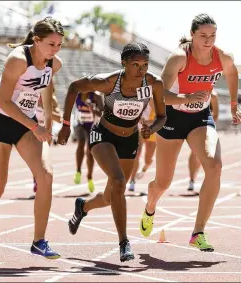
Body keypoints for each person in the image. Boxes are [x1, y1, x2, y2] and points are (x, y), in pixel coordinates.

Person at [140, 13, 241, 252]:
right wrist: (185, 97)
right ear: (192, 35)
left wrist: (234, 106)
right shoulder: (179, 58)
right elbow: (160, 95)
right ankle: (150, 206)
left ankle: (198, 232)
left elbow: (231, 73)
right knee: (163, 182)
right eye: (203, 36)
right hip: (173, 118)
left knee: (215, 166)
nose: (208, 41)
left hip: (200, 118)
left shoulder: (223, 56)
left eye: (212, 36)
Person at [57, 42, 167, 262]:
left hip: (130, 140)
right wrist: (66, 124)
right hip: (103, 136)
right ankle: (124, 242)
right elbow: (74, 87)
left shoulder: (153, 83)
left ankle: (83, 206)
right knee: (118, 183)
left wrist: (151, 129)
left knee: (111, 196)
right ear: (124, 63)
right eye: (135, 64)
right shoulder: (109, 82)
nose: (141, 70)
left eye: (145, 65)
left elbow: (162, 117)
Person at [0, 17, 65, 259]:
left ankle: (39, 241)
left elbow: (45, 88)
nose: (55, 51)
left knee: (45, 176)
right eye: (51, 45)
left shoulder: (53, 63)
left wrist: (46, 119)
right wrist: (36, 127)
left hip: (27, 127)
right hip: (1, 125)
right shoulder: (17, 61)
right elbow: (4, 101)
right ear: (36, 40)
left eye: (59, 45)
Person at [32, 84, 62, 193]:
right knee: (35, 158)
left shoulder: (52, 100)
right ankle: (36, 180)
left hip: (45, 133)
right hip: (33, 131)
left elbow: (59, 118)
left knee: (41, 158)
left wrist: (47, 111)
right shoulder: (33, 97)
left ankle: (38, 180)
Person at [187, 90, 219, 192]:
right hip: (189, 125)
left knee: (199, 154)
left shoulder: (213, 96)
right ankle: (192, 179)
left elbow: (216, 115)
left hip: (204, 126)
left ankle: (195, 179)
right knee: (194, 153)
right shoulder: (192, 92)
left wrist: (208, 127)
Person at [73, 91, 104, 193]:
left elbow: (102, 113)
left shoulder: (96, 96)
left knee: (90, 151)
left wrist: (93, 109)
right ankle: (78, 171)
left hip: (92, 125)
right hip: (80, 124)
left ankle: (90, 177)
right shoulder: (76, 94)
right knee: (81, 143)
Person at [128, 98, 157, 192]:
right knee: (136, 154)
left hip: (150, 130)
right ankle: (132, 180)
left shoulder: (152, 100)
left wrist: (148, 122)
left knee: (148, 159)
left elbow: (159, 118)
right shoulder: (134, 98)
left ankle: (144, 169)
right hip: (138, 130)